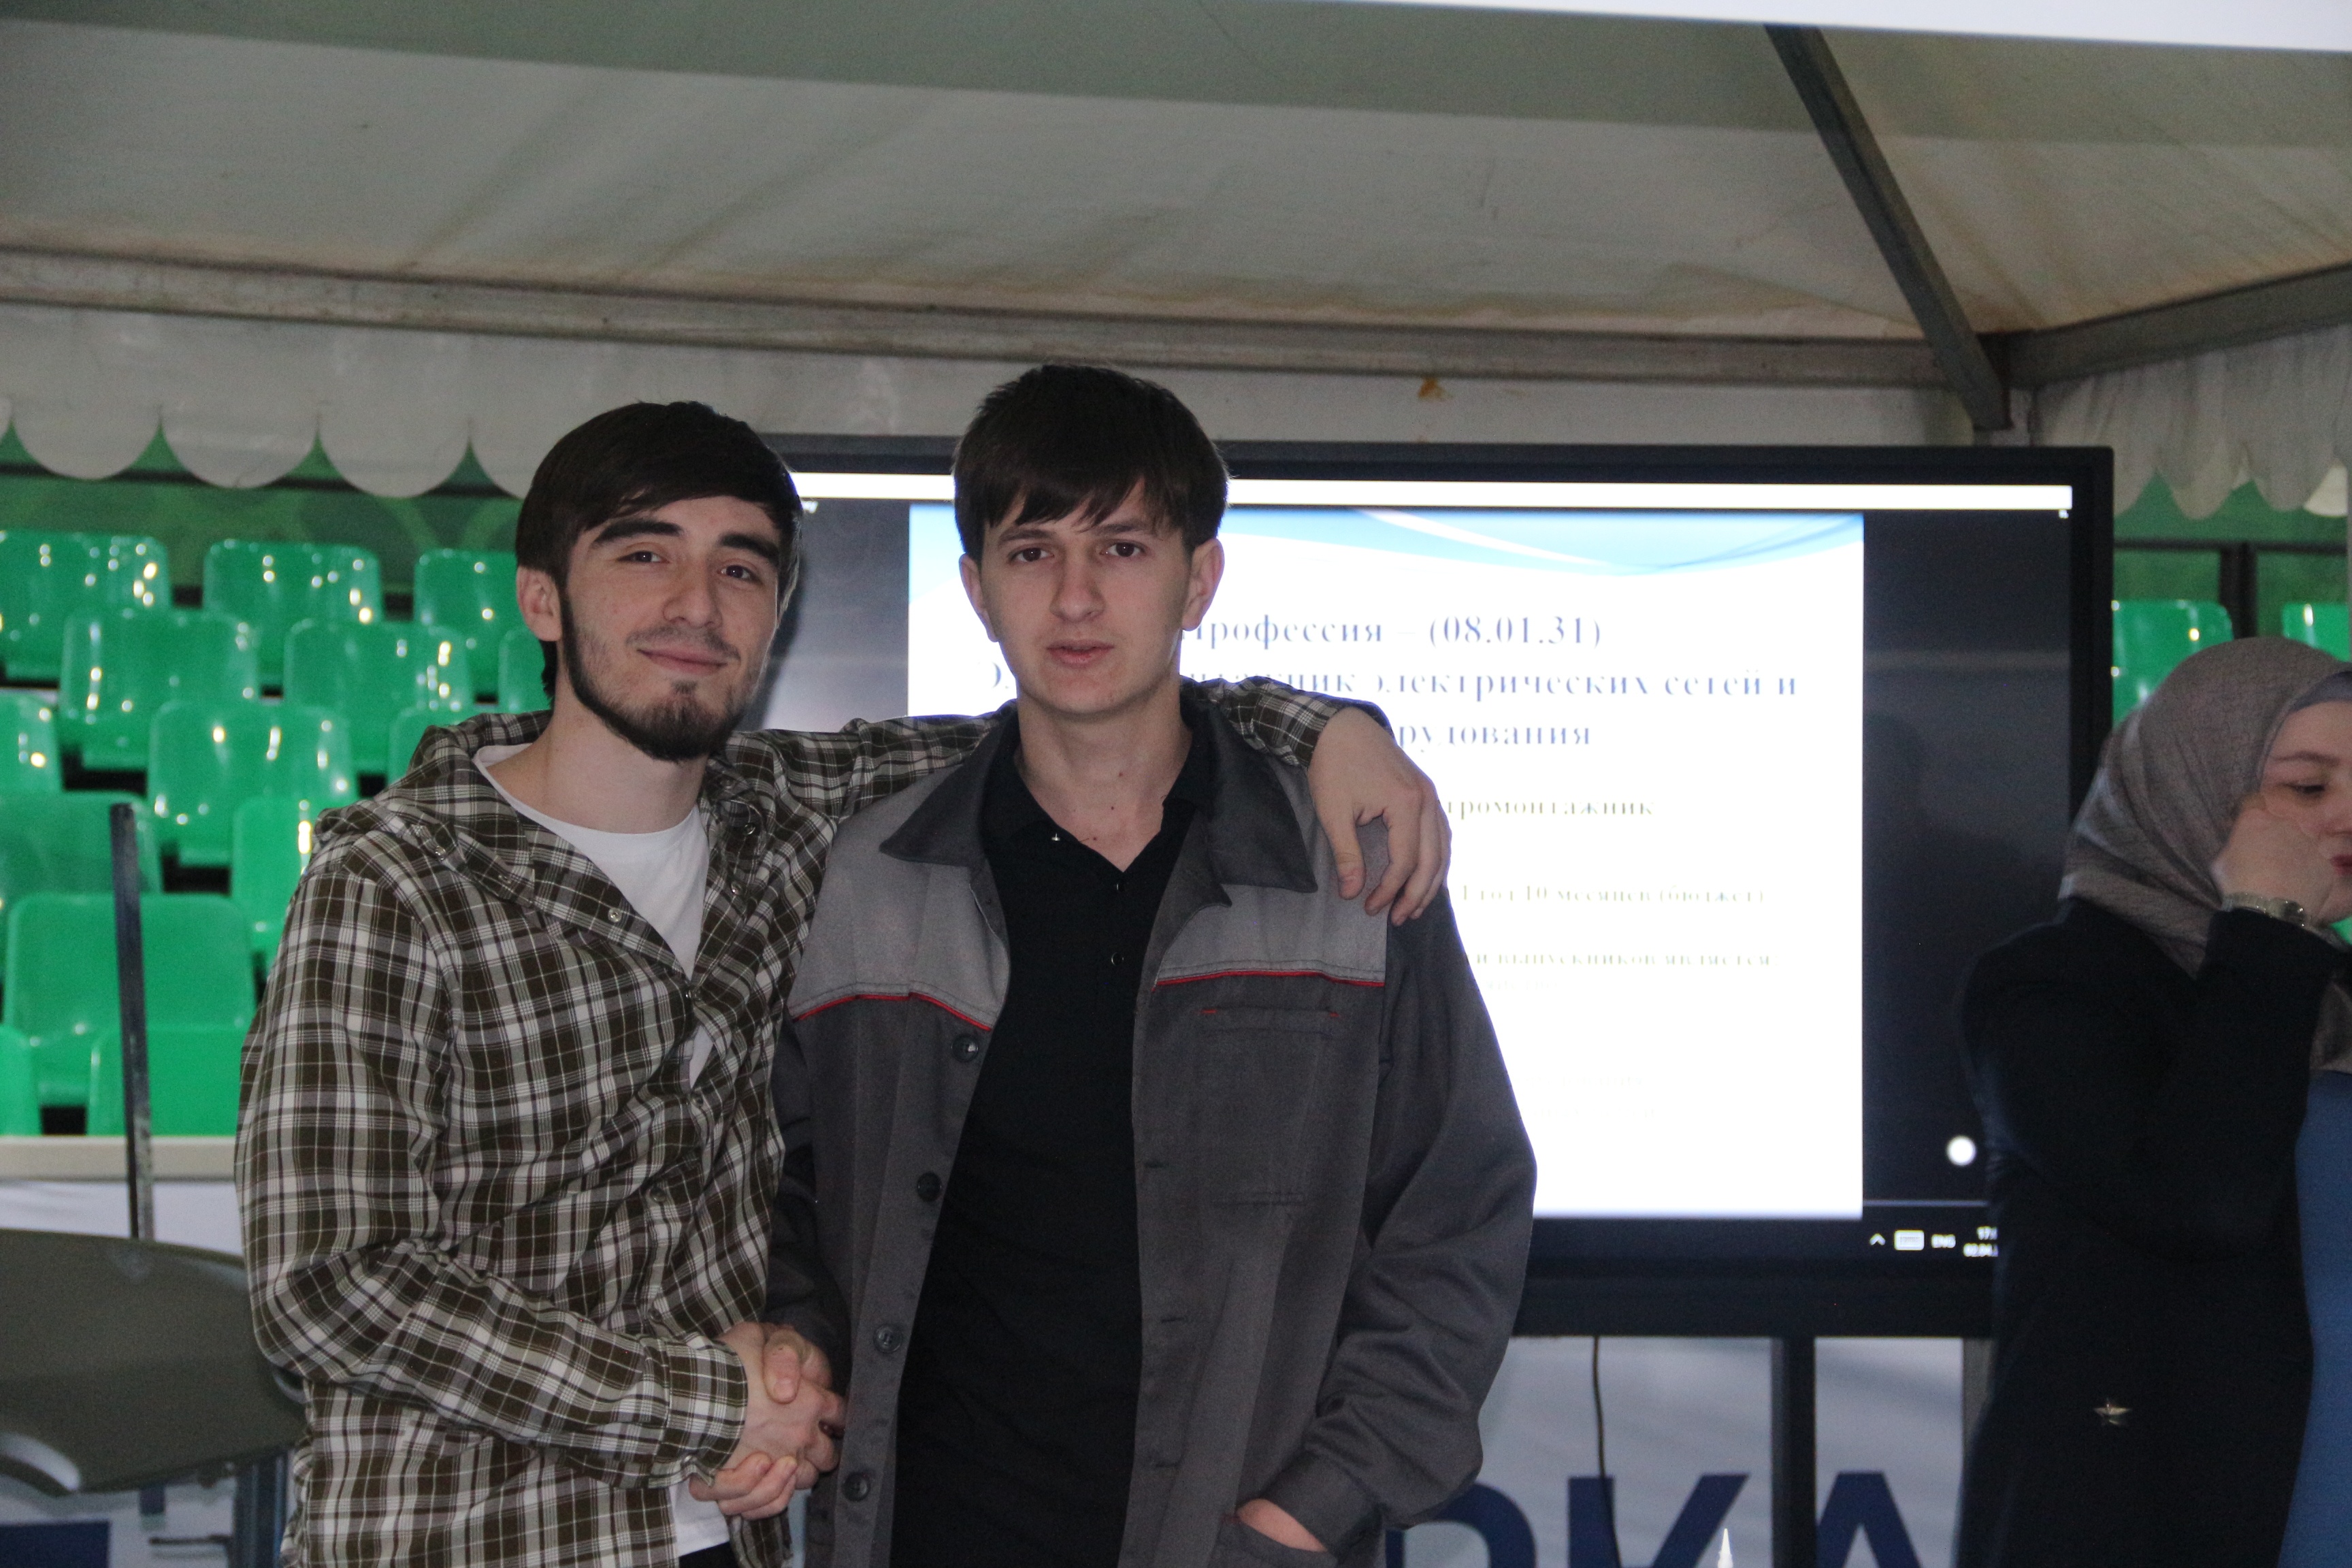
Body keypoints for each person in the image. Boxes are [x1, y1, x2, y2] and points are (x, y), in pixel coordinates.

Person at [236, 399, 1452, 1568]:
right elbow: (328, 1288)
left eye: (741, 568)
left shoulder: (788, 819)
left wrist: (1330, 727)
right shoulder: (394, 879)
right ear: (543, 597)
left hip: (728, 1533)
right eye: (644, 555)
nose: (694, 605)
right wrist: (702, 1401)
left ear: (778, 612)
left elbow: (1097, 714)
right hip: (466, 1537)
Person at [761, 365, 1537, 1568]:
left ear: (1200, 579)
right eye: (1031, 553)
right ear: (975, 590)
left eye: (1121, 549)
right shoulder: (867, 875)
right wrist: (792, 1345)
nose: (1075, 598)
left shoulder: (1345, 871)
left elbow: (1457, 1217)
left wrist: (1311, 1514)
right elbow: (779, 1192)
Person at [1956, 636, 2352, 1568]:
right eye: (2307, 787)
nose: (2346, 815)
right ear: (2195, 787)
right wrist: (2268, 924)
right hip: (2151, 1524)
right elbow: (2201, 1201)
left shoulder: (2324, 993)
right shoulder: (2053, 990)